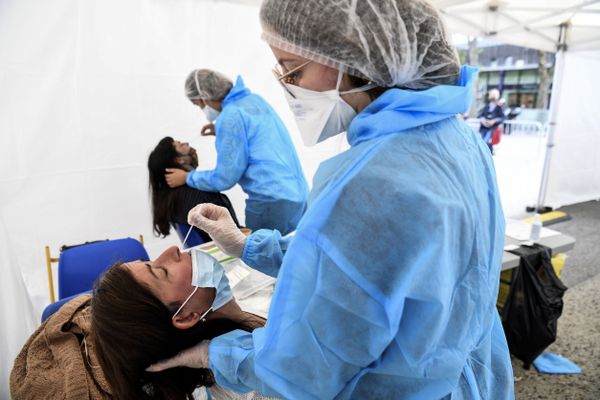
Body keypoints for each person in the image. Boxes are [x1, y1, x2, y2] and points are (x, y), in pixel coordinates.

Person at [148, 0, 514, 399]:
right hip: (469, 375)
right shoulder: (459, 140)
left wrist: (217, 356)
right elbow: (368, 259)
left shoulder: (373, 181)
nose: (289, 86)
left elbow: (306, 368)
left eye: (294, 69)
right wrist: (245, 244)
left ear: (356, 56)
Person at [91, 246, 276, 399]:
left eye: (150, 261)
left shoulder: (241, 323)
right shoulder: (244, 385)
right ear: (185, 317)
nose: (172, 250)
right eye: (162, 271)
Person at [165, 69, 309, 235]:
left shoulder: (230, 116)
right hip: (298, 194)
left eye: (198, 104)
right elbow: (259, 137)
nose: (201, 108)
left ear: (205, 96)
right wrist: (222, 130)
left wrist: (187, 178)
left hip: (271, 202)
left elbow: (224, 177)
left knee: (265, 256)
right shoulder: (253, 100)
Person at [148, 136, 240, 244]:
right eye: (180, 144)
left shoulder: (173, 199)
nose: (186, 143)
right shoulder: (198, 195)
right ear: (179, 160)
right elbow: (229, 235)